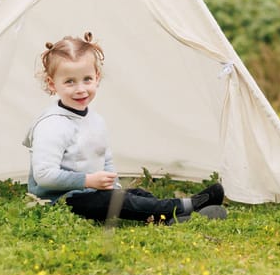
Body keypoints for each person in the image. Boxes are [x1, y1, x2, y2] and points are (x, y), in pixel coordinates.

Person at [22, 32, 226, 223]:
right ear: (51, 84)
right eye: (69, 82)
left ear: (97, 77)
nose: (81, 89)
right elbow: (44, 176)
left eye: (87, 79)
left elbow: (105, 158)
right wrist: (88, 181)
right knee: (113, 201)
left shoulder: (95, 120)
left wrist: (114, 186)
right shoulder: (52, 125)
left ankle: (168, 218)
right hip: (61, 200)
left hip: (89, 193)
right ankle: (182, 206)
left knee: (135, 196)